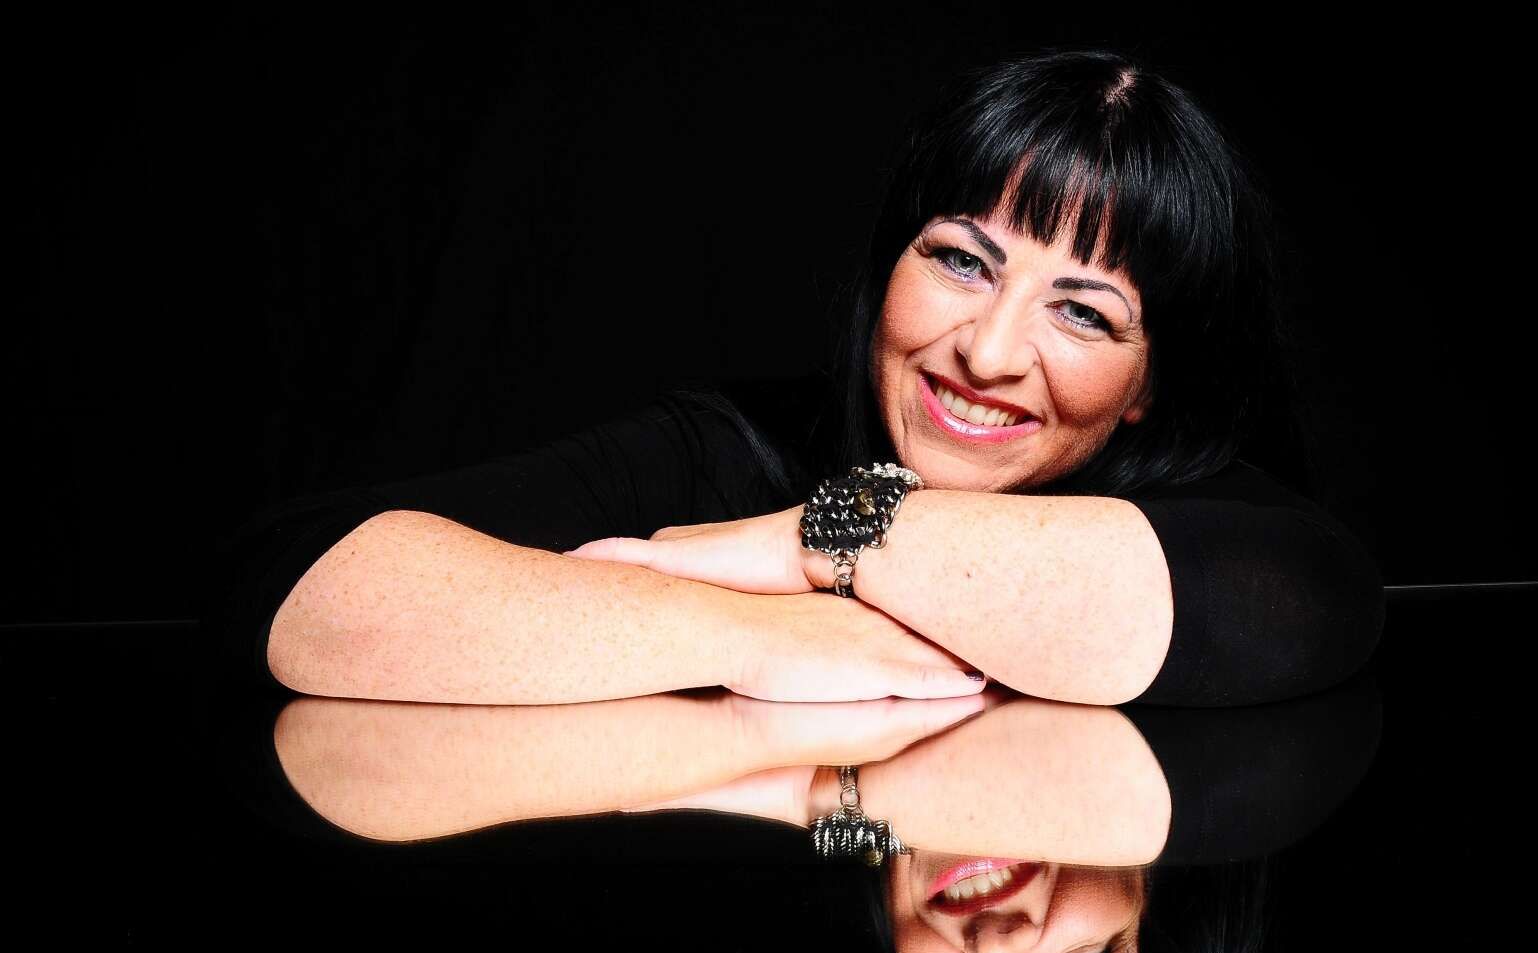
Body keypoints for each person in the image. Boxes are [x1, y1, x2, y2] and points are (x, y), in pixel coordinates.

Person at [207, 47, 1384, 709]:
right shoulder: (741, 446)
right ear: (889, 269)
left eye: (1082, 312)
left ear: (1147, 385)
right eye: (961, 261)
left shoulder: (1194, 503)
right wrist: (742, 632)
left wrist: (809, 545)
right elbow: (291, 575)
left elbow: (1311, 597)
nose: (987, 352)